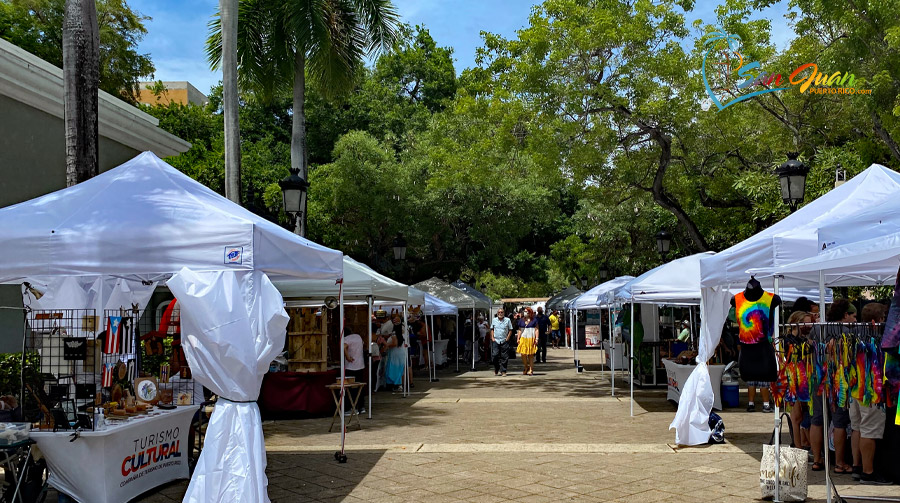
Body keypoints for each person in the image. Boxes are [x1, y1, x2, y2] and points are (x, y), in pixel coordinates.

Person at [810, 299, 856, 474]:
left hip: (817, 377)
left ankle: (817, 460)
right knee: (839, 421)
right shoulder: (847, 332)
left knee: (817, 419)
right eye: (853, 316)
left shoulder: (816, 329)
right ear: (845, 315)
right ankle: (839, 463)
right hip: (838, 380)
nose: (854, 320)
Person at [849, 302, 890, 484]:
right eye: (883, 318)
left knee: (858, 426)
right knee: (869, 429)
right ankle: (868, 472)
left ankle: (858, 467)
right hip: (870, 389)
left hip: (856, 387)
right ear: (877, 320)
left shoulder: (853, 333)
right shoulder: (880, 337)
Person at [786, 310, 815, 451]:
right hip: (794, 380)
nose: (809, 325)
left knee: (804, 416)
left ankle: (803, 444)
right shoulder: (788, 341)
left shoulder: (805, 340)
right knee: (796, 417)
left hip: (805, 379)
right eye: (806, 322)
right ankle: (798, 448)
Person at [343, 326, 366, 413]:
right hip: (360, 364)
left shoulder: (346, 339)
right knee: (359, 386)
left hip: (351, 366)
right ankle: (361, 406)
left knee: (351, 388)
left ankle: (352, 407)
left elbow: (343, 347)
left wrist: (347, 357)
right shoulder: (358, 337)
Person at [384, 316, 407, 391]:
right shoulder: (403, 331)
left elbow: (395, 343)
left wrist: (386, 344)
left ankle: (395, 384)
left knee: (393, 368)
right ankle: (399, 384)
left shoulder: (394, 333)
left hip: (395, 353)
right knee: (399, 368)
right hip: (401, 352)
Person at [490, 308, 514, 376]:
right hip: (496, 340)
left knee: (505, 356)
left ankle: (503, 370)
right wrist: (492, 337)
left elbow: (510, 329)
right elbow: (492, 329)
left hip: (504, 340)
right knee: (495, 355)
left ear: (504, 313)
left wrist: (507, 338)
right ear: (497, 313)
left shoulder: (507, 320)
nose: (500, 313)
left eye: (502, 312)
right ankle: (497, 367)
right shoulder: (494, 320)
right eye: (499, 312)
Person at [373, 310, 393, 392]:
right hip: (382, 348)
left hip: (384, 349)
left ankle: (382, 384)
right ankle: (381, 384)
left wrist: (381, 337)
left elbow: (389, 335)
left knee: (382, 368)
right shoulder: (385, 324)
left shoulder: (389, 324)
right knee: (381, 369)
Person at [516, 308, 539, 376]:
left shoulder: (534, 320)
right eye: (525, 311)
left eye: (527, 312)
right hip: (523, 338)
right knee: (523, 354)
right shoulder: (521, 320)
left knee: (531, 355)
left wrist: (537, 338)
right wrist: (518, 338)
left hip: (531, 338)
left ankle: (531, 369)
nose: (525, 313)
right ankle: (526, 366)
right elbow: (520, 330)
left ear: (530, 312)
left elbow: (536, 330)